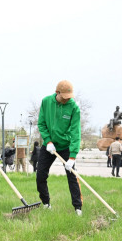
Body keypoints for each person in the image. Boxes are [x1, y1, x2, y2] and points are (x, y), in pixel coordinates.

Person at [36, 80, 83, 216]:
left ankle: (78, 208)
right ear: (57, 93)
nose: (67, 99)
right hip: (49, 146)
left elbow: (76, 132)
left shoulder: (73, 107)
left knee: (72, 177)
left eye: (69, 97)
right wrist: (48, 141)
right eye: (65, 97)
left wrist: (72, 157)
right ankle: (46, 203)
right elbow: (41, 123)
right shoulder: (46, 102)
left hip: (66, 146)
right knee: (40, 176)